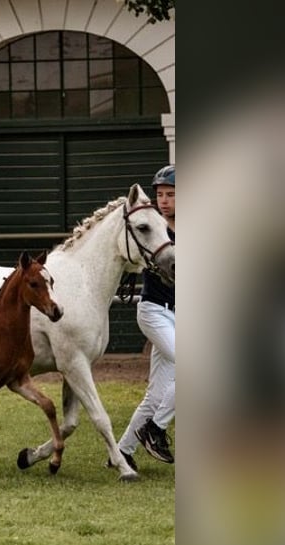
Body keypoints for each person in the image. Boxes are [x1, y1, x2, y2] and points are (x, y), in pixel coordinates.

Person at [117, 165, 176, 470]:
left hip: (178, 316)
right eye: (161, 195)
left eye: (171, 195)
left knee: (156, 394)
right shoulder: (154, 228)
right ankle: (155, 429)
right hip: (154, 311)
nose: (164, 200)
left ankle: (122, 452)